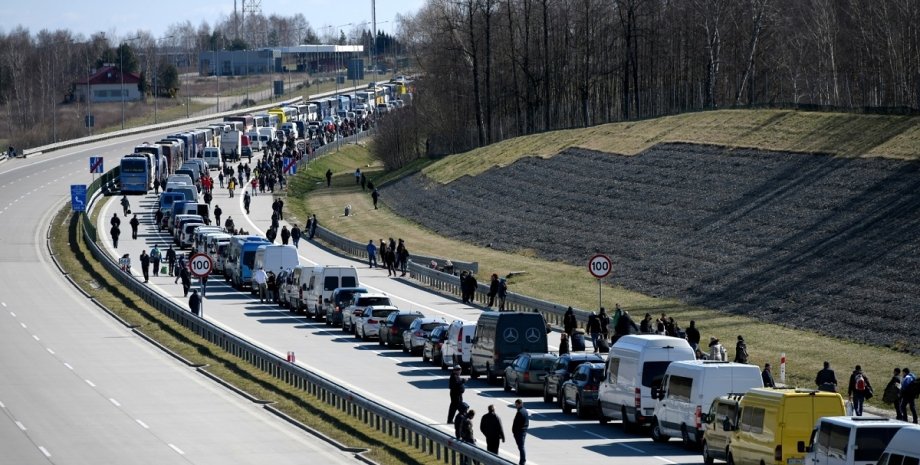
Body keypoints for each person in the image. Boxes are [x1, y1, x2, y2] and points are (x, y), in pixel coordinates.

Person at [511, 399, 529, 465]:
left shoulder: (520, 412)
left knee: (521, 447)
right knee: (521, 447)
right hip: (523, 431)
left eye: (517, 405)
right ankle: (522, 460)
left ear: (520, 404)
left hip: (519, 432)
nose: (516, 406)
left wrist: (514, 431)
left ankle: (522, 461)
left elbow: (516, 423)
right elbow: (527, 422)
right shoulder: (525, 411)